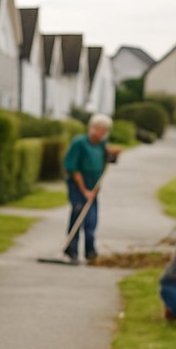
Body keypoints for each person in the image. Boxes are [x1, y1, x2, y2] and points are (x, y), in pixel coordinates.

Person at [61, 113, 114, 264]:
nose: (103, 134)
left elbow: (106, 157)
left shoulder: (101, 145)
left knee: (91, 220)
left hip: (94, 187)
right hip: (79, 185)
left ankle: (90, 252)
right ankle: (71, 250)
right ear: (93, 128)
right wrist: (84, 190)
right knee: (78, 216)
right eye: (101, 130)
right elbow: (72, 168)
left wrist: (112, 155)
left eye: (105, 131)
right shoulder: (79, 143)